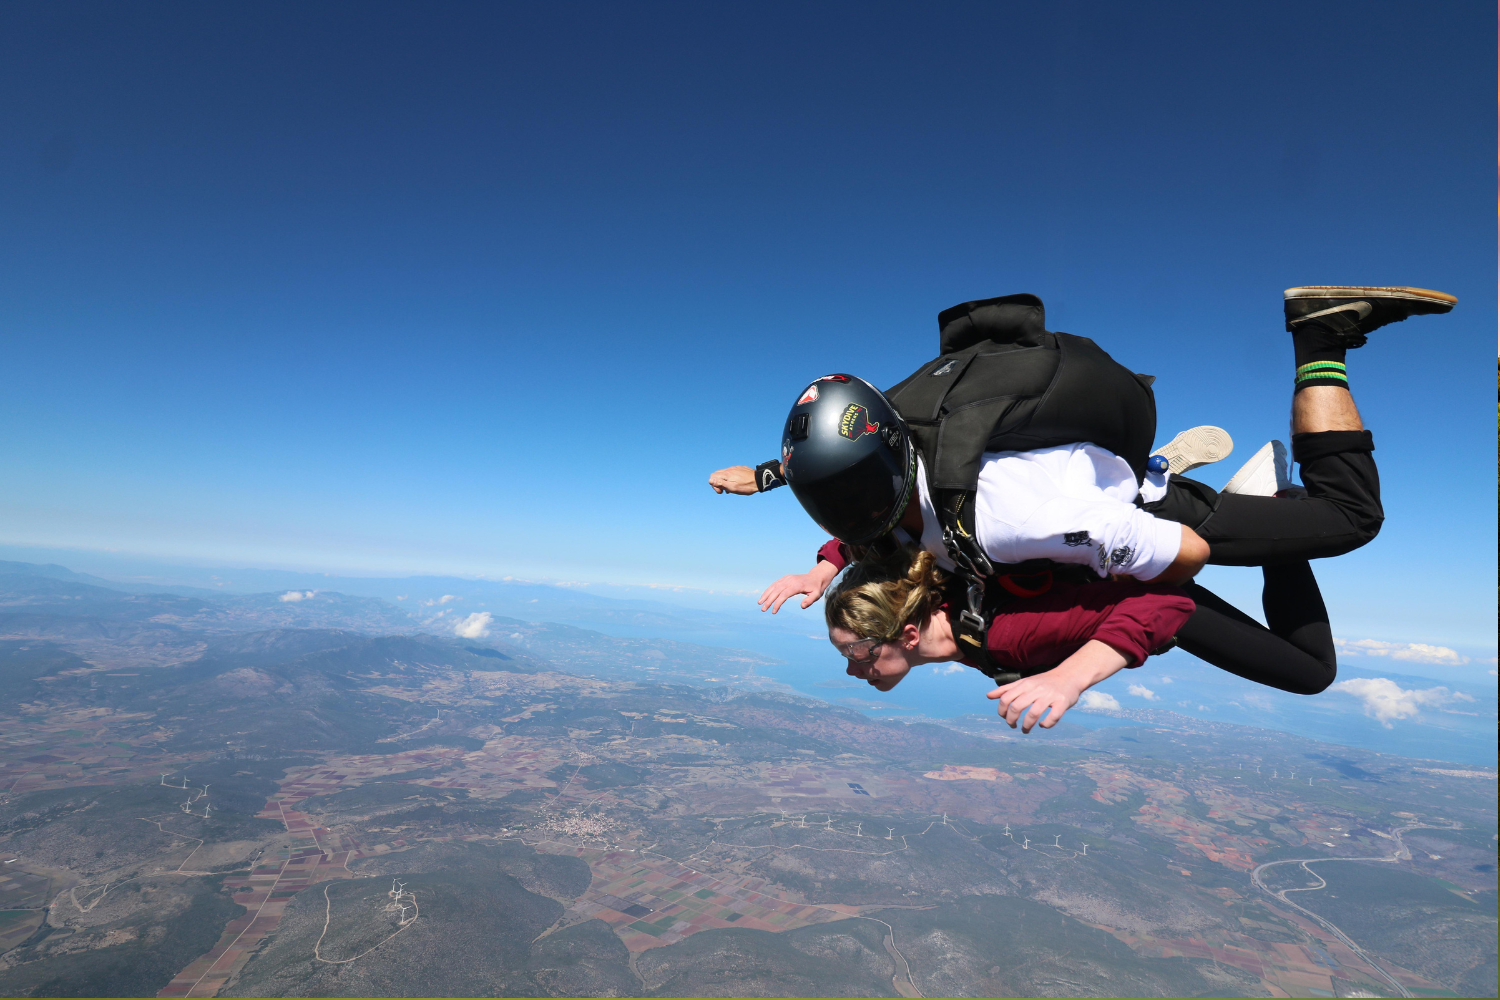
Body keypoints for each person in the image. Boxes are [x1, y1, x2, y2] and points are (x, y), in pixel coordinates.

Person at [712, 284, 1457, 696]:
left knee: (1353, 521)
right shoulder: (906, 505)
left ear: (903, 636)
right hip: (1074, 528)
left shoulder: (1002, 523)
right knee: (1305, 671)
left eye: (855, 655)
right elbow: (870, 524)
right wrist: (810, 548)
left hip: (1134, 522)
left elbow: (1183, 564)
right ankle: (1208, 497)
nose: (849, 668)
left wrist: (1078, 669)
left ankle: (1317, 342)